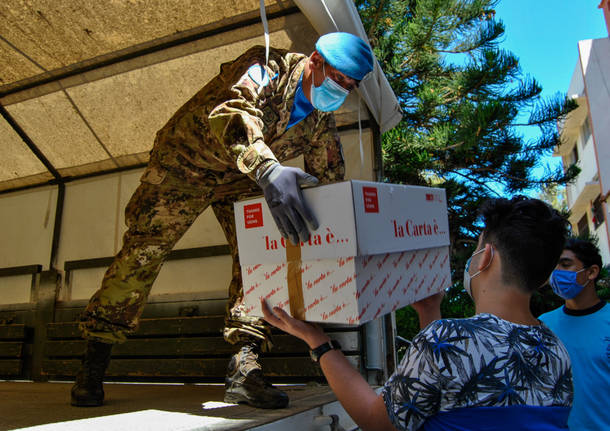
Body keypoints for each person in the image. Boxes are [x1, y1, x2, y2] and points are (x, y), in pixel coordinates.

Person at [70, 32, 374, 408]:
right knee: (142, 255)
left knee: (261, 259)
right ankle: (95, 358)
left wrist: (345, 240)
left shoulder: (320, 121)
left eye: (350, 85)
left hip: (238, 179)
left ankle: (244, 367)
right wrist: (267, 170)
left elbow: (330, 179)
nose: (341, 89)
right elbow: (232, 112)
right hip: (185, 165)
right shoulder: (266, 67)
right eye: (337, 77)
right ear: (315, 61)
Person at [262, 196, 574, 430]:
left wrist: (318, 341)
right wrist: (430, 311)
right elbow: (455, 400)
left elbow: (376, 420)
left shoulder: (448, 339)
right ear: (544, 277)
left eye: (478, 247)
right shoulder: (555, 350)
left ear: (486, 257)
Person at [539, 237, 610, 430]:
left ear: (592, 272)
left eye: (565, 264)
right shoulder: (543, 325)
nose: (557, 273)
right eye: (554, 266)